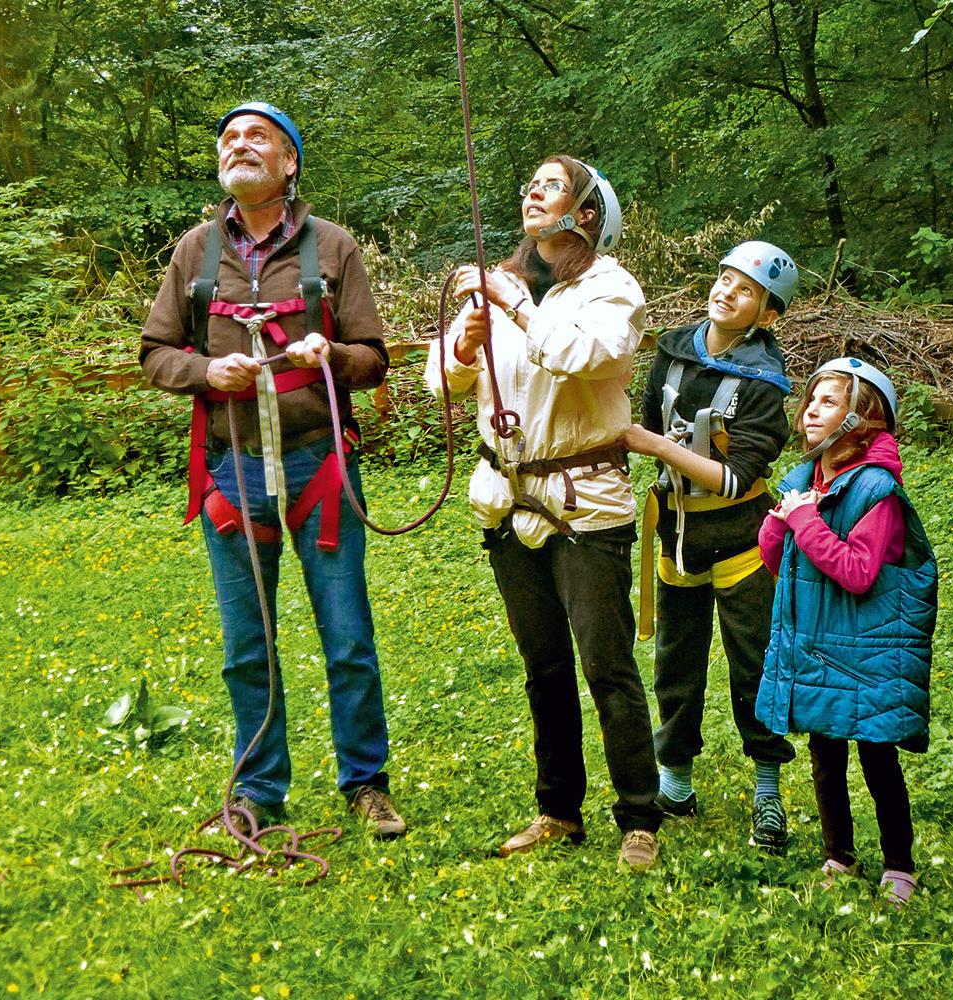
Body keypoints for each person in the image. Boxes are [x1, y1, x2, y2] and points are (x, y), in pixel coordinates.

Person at [139, 101, 405, 838]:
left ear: (289, 162)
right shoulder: (195, 252)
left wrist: (333, 356)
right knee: (245, 645)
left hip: (321, 468)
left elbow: (374, 360)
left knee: (347, 636)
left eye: (258, 137)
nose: (240, 146)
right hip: (232, 473)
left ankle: (367, 784)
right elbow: (155, 350)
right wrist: (201, 371)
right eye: (229, 138)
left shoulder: (333, 248)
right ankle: (258, 791)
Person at [425, 155, 663, 872]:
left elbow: (584, 355)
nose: (531, 191)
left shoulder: (611, 289)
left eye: (550, 184)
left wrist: (515, 307)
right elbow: (440, 381)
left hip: (585, 506)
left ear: (584, 213)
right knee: (544, 668)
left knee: (606, 664)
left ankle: (639, 817)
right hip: (509, 500)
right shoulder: (507, 288)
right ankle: (559, 809)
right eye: (528, 182)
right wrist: (464, 349)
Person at [624, 241, 799, 852]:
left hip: (741, 540)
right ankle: (674, 779)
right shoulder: (672, 352)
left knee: (754, 662)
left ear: (767, 314)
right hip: (676, 534)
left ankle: (768, 788)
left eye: (745, 288)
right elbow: (645, 424)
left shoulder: (764, 385)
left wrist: (655, 447)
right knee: (676, 660)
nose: (726, 290)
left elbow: (735, 476)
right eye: (724, 278)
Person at [754, 359, 938, 907]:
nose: (811, 409)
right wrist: (780, 522)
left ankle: (899, 864)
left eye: (829, 401)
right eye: (811, 398)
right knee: (825, 750)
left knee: (878, 758)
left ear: (863, 419)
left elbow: (858, 573)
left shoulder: (876, 490)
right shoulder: (801, 479)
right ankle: (838, 855)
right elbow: (777, 560)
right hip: (817, 641)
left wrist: (805, 520)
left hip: (870, 649)